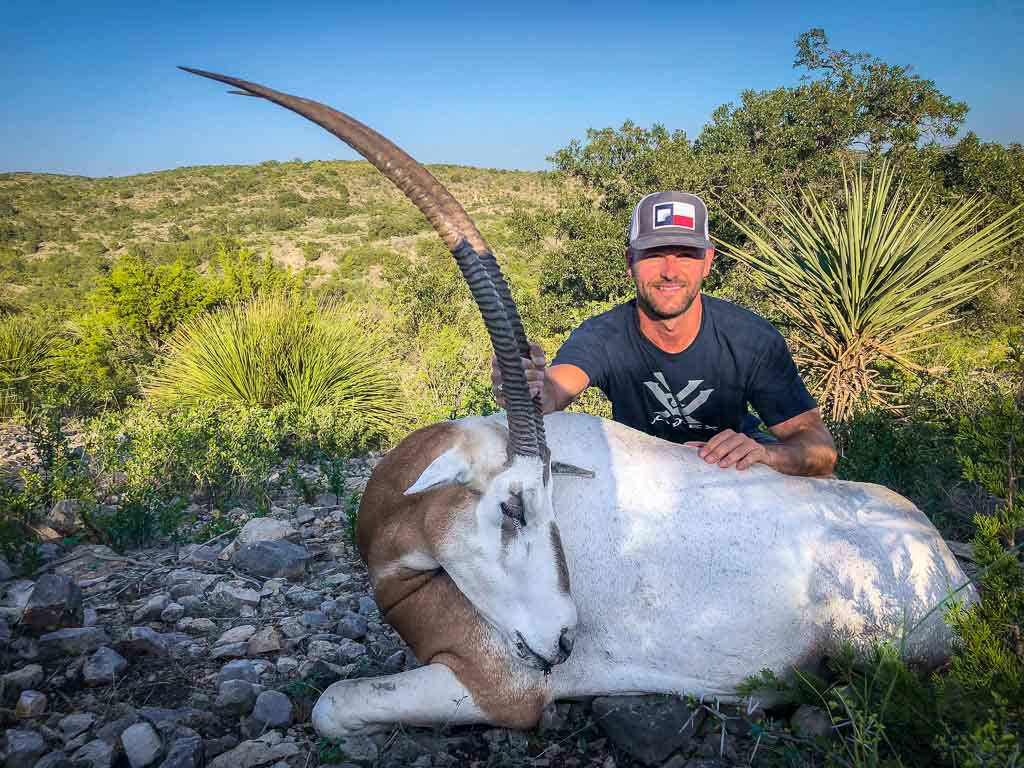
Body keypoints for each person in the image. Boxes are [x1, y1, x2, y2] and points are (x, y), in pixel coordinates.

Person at [491, 191, 837, 478]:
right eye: (654, 254)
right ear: (630, 262)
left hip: (735, 473)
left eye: (686, 255)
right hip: (645, 475)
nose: (670, 271)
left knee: (826, 483)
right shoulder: (603, 335)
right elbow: (554, 391)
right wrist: (525, 385)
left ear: (707, 263)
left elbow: (819, 449)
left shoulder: (751, 339)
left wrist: (764, 453)